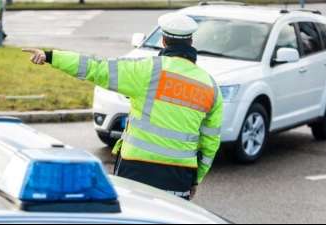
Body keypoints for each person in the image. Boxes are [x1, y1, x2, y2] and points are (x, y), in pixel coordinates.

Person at [23, 13, 223, 200]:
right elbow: (210, 142)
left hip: (137, 170)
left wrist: (51, 56)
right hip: (179, 176)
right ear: (191, 42)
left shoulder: (147, 70)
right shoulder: (210, 86)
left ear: (163, 40)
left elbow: (95, 68)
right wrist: (196, 178)